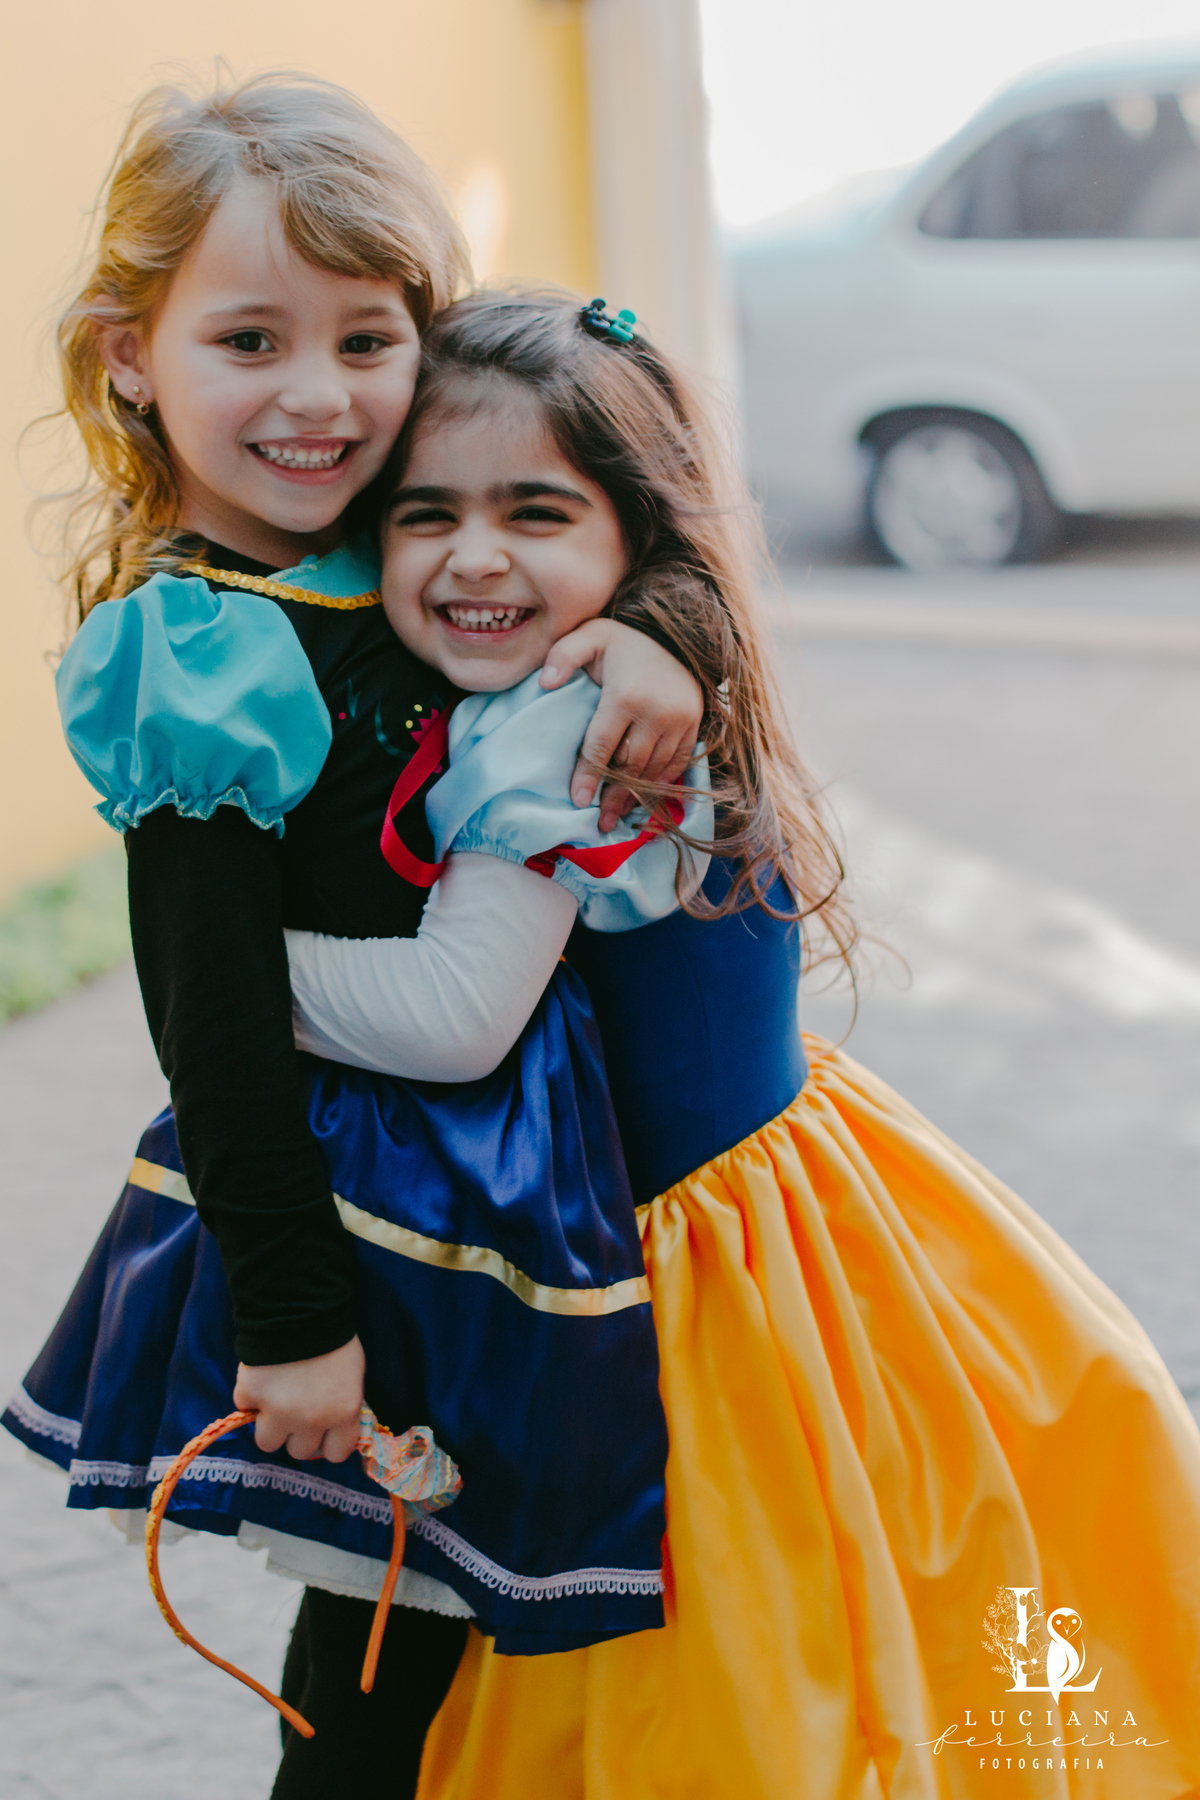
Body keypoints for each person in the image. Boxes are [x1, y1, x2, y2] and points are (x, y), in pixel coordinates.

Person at [283, 291, 1200, 1800]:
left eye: (534, 509)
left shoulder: (546, 735)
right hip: (801, 1204)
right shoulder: (657, 661)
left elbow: (455, 1024)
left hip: (675, 1277)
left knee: (701, 1664)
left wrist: (218, 974)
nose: (474, 556)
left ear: (636, 539)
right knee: (865, 1596)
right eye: (425, 513)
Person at [0, 76, 707, 1797]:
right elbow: (215, 1030)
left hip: (492, 1188)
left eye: (367, 340)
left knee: (448, 1621)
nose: (318, 400)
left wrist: (651, 646)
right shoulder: (206, 646)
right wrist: (292, 1323)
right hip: (366, 1223)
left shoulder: (384, 557)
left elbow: (585, 549)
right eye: (249, 340)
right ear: (127, 354)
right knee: (382, 1639)